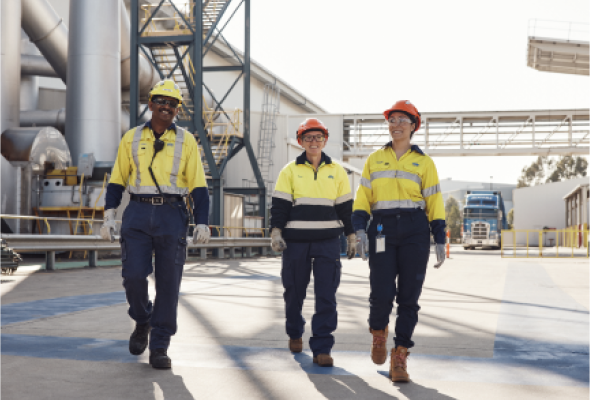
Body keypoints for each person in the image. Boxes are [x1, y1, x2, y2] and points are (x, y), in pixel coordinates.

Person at [100, 79, 210, 369]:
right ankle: (142, 318)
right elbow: (117, 180)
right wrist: (109, 213)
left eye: (173, 104)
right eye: (162, 101)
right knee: (134, 277)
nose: (167, 107)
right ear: (150, 105)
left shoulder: (187, 141)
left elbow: (199, 187)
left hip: (172, 215)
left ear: (177, 110)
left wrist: (203, 223)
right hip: (137, 212)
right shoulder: (131, 138)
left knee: (169, 285)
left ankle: (160, 346)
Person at [352, 100, 446, 382]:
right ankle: (378, 333)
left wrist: (439, 238)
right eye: (392, 120)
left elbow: (434, 200)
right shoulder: (374, 159)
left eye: (402, 120)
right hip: (381, 228)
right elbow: (363, 198)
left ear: (413, 126)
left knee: (409, 296)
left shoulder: (425, 162)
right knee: (381, 291)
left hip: (415, 229)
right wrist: (359, 229)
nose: (396, 125)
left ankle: (400, 355)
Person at [270, 118, 356, 367]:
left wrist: (351, 235)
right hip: (295, 242)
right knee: (294, 292)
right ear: (300, 141)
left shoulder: (337, 171)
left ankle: (322, 347)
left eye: (318, 137)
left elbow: (345, 208)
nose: (314, 141)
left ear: (325, 140)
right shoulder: (289, 171)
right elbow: (280, 206)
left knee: (326, 295)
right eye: (308, 137)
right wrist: (276, 231)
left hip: (328, 241)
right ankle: (295, 331)